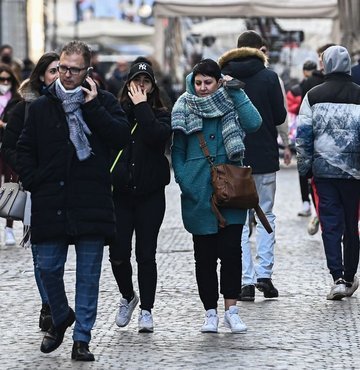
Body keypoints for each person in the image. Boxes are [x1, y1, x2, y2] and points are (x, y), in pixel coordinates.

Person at [16, 41, 130, 361]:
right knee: (48, 266)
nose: (66, 74)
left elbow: (121, 138)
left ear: (87, 71)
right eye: (63, 67)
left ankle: (82, 338)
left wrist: (92, 108)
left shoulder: (104, 102)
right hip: (50, 198)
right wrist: (35, 181)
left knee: (88, 274)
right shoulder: (41, 105)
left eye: (74, 69)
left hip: (90, 198)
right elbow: (23, 149)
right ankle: (61, 313)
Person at [171, 59, 262, 333]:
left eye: (208, 82)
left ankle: (231, 310)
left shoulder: (230, 101)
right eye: (198, 82)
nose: (202, 88)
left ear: (218, 81)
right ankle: (209, 311)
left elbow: (254, 123)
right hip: (198, 191)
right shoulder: (183, 106)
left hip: (231, 188)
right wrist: (186, 181)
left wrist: (235, 91)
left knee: (232, 252)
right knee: (205, 256)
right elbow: (177, 151)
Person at [218, 30, 287, 302]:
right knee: (266, 214)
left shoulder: (222, 76)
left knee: (240, 221)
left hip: (233, 158)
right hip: (265, 156)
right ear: (261, 50)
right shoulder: (270, 77)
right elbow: (280, 116)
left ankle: (244, 282)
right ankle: (264, 276)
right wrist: (287, 145)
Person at [109, 58, 172, 333]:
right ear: (129, 84)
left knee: (146, 254)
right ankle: (128, 296)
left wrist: (143, 107)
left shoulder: (160, 113)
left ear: (153, 86)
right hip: (121, 195)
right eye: (137, 81)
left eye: (146, 82)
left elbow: (158, 138)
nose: (141, 86)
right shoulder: (116, 111)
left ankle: (147, 309)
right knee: (118, 253)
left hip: (150, 195)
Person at [296, 45, 360, 300]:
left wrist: (305, 169)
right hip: (355, 172)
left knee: (330, 224)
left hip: (324, 172)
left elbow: (303, 136)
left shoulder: (313, 95)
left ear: (325, 65)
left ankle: (337, 277)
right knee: (351, 225)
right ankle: (350, 274)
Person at [2, 52, 60, 331]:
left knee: (59, 253)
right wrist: (28, 172)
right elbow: (9, 146)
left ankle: (55, 302)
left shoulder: (76, 102)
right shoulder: (24, 107)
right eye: (53, 71)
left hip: (67, 189)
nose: (59, 75)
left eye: (63, 69)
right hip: (36, 189)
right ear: (41, 76)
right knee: (41, 253)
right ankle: (49, 305)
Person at [286, 60, 317, 218]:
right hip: (319, 133)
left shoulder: (305, 85)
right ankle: (315, 203)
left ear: (305, 71)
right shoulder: (322, 82)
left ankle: (306, 203)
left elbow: (301, 110)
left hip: (305, 130)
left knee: (303, 167)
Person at [0, 63, 21, 245]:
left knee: (10, 185)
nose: (5, 82)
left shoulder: (16, 98)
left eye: (7, 79)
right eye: (2, 79)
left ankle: (9, 228)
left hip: (8, 145)